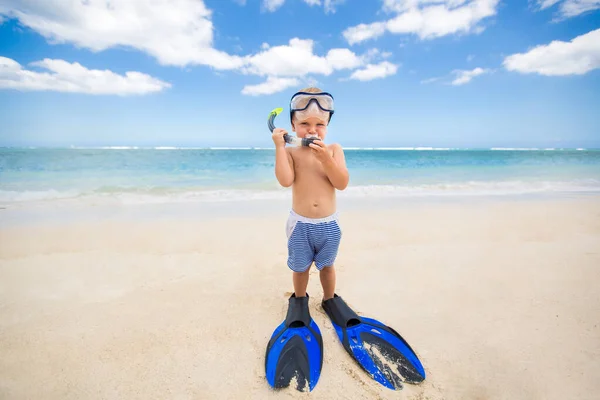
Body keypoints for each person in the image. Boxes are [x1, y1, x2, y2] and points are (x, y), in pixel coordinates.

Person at [271, 87, 349, 303]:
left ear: (327, 125)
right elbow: (285, 180)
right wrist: (279, 147)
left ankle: (329, 299)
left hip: (329, 224)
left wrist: (326, 159)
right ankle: (299, 299)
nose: (312, 130)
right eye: (304, 124)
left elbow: (341, 183)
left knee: (327, 266)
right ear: (293, 126)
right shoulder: (291, 152)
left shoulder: (333, 150)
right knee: (300, 267)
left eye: (319, 124)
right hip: (300, 224)